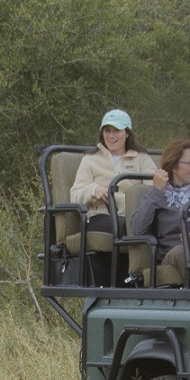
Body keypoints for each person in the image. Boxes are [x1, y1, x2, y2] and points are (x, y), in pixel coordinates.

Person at [68, 109, 149, 282]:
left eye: (116, 131)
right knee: (130, 227)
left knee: (143, 224)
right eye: (107, 131)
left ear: (127, 133)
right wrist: (92, 189)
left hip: (133, 215)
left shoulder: (141, 159)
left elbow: (153, 188)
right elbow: (74, 195)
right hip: (102, 216)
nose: (111, 136)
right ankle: (134, 276)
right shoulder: (90, 160)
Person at [127, 139, 190, 280]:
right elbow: (137, 229)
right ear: (174, 166)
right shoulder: (158, 194)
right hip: (172, 253)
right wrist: (157, 190)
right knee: (182, 252)